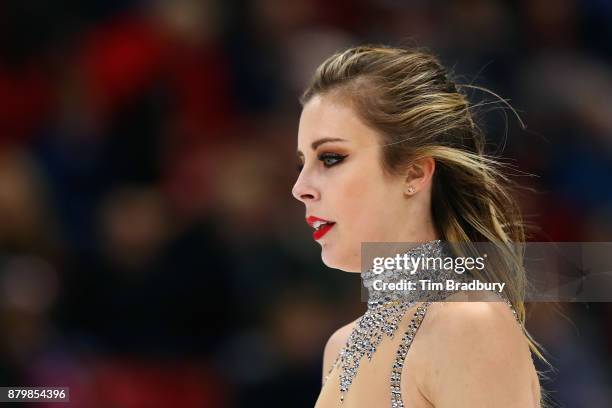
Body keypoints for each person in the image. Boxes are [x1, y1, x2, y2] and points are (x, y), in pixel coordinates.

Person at [292, 45, 547, 407]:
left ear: (414, 171)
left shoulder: (468, 324)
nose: (300, 188)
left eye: (331, 158)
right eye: (301, 163)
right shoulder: (340, 346)